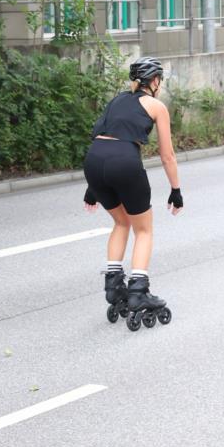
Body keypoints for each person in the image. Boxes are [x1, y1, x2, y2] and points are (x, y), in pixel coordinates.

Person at [82, 56, 183, 331]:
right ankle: (138, 292)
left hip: (93, 162)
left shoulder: (117, 100)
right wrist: (175, 190)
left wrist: (93, 188)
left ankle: (114, 288)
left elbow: (103, 137)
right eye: (159, 79)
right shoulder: (156, 106)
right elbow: (167, 155)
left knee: (121, 222)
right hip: (124, 162)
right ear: (154, 81)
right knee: (144, 230)